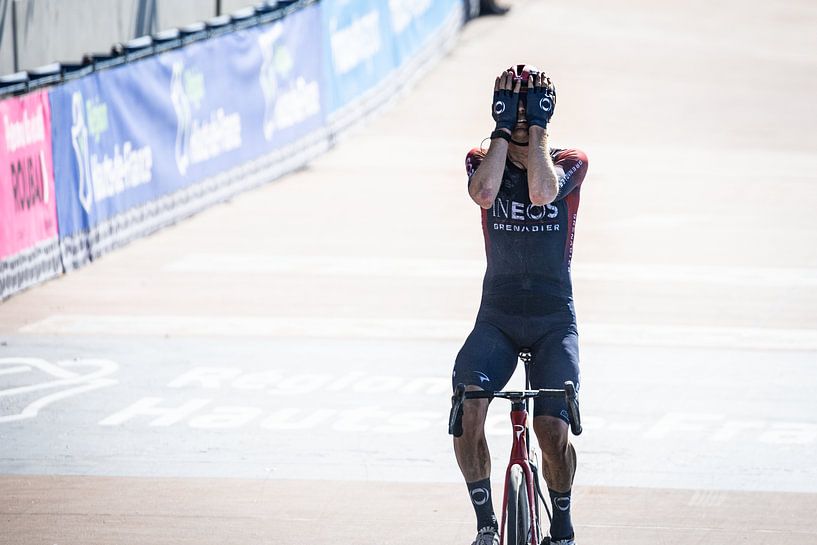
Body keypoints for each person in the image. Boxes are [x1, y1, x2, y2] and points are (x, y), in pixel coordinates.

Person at [452, 64, 588, 545]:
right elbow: (486, 193)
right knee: (467, 410)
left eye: (532, 113)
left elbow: (540, 191)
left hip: (554, 321)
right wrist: (500, 132)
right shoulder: (479, 158)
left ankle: (564, 526)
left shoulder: (569, 160)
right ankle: (487, 526)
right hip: (499, 319)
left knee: (552, 430)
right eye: (515, 111)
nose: (524, 120)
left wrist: (539, 133)